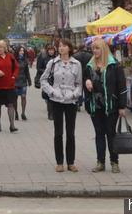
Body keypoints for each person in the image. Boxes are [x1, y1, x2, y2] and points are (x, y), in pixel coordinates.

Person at [84, 38, 126, 174]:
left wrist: (122, 106)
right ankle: (100, 162)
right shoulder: (90, 66)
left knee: (111, 134)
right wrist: (87, 82)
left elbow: (121, 87)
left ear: (103, 50)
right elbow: (85, 82)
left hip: (111, 106)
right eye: (93, 49)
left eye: (97, 48)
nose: (95, 51)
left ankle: (114, 162)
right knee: (99, 135)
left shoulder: (114, 66)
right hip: (95, 106)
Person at [41, 39, 82, 173]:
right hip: (56, 100)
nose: (61, 48)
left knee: (71, 133)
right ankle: (59, 162)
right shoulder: (52, 63)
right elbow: (43, 79)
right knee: (58, 132)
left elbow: (79, 84)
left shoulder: (77, 64)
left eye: (64, 46)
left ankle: (71, 162)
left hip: (70, 101)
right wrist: (52, 91)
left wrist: (75, 94)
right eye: (60, 46)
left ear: (69, 48)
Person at [36, 45, 57, 120]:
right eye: (50, 50)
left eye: (52, 50)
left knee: (55, 97)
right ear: (47, 51)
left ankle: (55, 113)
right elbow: (39, 68)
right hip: (47, 80)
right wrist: (46, 72)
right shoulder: (44, 59)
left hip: (56, 80)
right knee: (49, 98)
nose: (51, 51)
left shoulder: (57, 59)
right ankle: (50, 114)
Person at [13, 46, 31, 121]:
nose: (22, 52)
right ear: (17, 51)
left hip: (23, 81)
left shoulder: (25, 60)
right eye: (20, 51)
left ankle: (23, 113)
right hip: (15, 81)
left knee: (23, 97)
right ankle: (16, 112)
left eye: (23, 51)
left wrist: (29, 80)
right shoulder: (13, 60)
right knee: (15, 98)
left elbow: (27, 71)